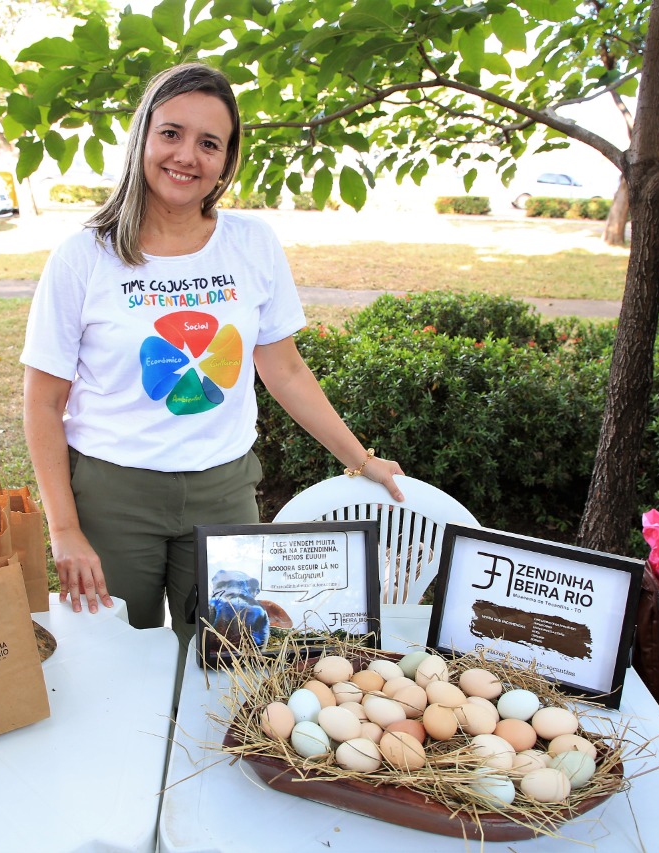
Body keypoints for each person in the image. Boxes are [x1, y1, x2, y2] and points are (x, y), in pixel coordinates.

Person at [21, 61, 404, 655]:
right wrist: (65, 529)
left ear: (226, 160)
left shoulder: (252, 244)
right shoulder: (83, 256)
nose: (186, 156)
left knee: (231, 655)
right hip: (114, 497)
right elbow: (43, 403)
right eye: (171, 133)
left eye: (209, 143)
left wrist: (363, 461)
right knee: (116, 660)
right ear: (143, 136)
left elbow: (285, 369)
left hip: (224, 492)